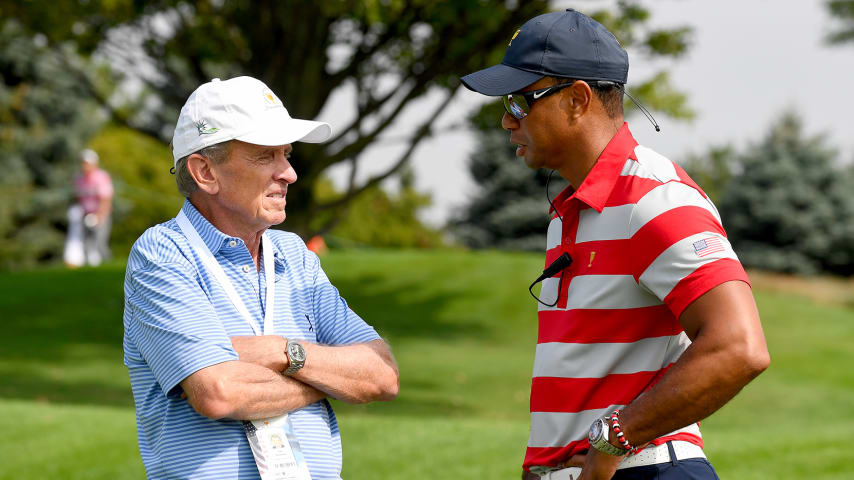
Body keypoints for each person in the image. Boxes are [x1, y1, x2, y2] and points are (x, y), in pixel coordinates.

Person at [460, 9, 770, 480]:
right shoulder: (571, 211)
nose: (507, 120)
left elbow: (739, 347)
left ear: (577, 100)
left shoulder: (655, 198)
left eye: (520, 101)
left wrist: (611, 441)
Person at [123, 76, 399, 480]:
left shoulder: (293, 254)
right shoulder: (163, 254)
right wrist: (332, 381)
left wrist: (280, 353)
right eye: (265, 155)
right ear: (205, 172)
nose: (289, 173)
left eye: (285, 154)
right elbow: (219, 392)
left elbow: (381, 374)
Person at [64, 148, 113, 267]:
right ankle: (90, 269)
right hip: (86, 214)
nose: (84, 165)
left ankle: (107, 266)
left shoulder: (101, 177)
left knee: (100, 243)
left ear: (94, 164)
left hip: (100, 214)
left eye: (87, 163)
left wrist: (100, 216)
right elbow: (79, 198)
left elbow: (105, 199)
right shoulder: (79, 179)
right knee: (87, 243)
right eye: (83, 163)